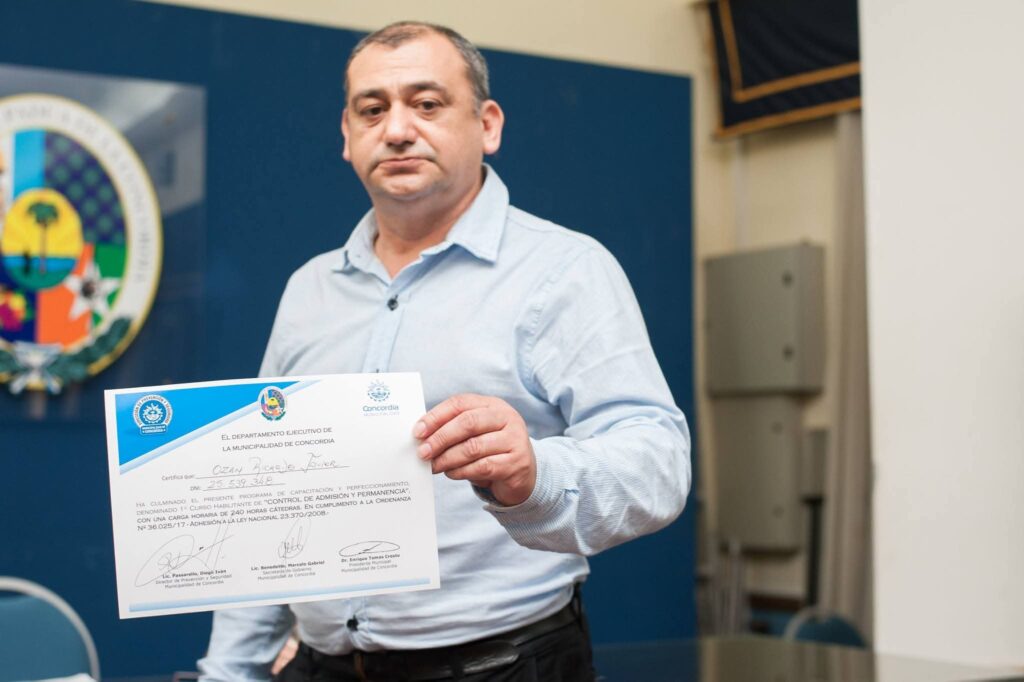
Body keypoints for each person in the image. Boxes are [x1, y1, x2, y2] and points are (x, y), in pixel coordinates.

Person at [199, 21, 690, 682]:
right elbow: (268, 493)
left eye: (427, 104)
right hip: (319, 666)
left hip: (503, 666)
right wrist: (231, 671)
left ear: (487, 125)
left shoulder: (565, 271)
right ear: (346, 134)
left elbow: (659, 462)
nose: (398, 129)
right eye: (372, 109)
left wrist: (535, 471)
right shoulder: (310, 290)